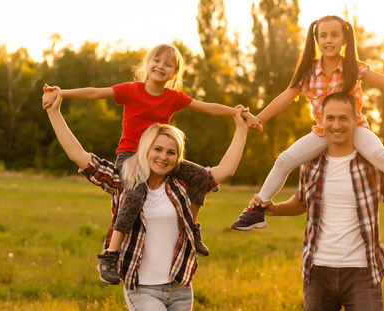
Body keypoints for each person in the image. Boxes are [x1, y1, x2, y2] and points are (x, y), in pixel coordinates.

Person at [42, 43, 261, 284]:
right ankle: (110, 255)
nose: (161, 66)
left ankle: (192, 226)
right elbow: (95, 93)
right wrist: (62, 92)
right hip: (130, 157)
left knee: (199, 175)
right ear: (147, 64)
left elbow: (206, 107)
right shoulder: (130, 90)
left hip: (160, 156)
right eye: (157, 60)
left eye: (169, 64)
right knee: (134, 193)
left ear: (174, 74)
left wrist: (240, 114)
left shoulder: (173, 98)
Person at [231, 15, 384, 231]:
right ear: (316, 40)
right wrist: (259, 119)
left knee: (381, 155)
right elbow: (286, 97)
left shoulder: (353, 67)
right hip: (323, 132)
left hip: (355, 129)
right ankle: (258, 210)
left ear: (344, 40)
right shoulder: (308, 72)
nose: (328, 40)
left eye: (334, 35)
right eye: (323, 36)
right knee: (284, 160)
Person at [44, 90, 248, 310]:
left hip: (180, 286)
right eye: (157, 149)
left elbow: (227, 169)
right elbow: (79, 156)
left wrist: (241, 128)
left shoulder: (181, 187)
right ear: (144, 150)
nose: (163, 157)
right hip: (142, 289)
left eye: (171, 152)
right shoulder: (124, 181)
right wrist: (54, 112)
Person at [256, 92, 384, 310]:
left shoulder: (373, 164)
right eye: (330, 118)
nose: (336, 125)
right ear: (321, 120)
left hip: (363, 274)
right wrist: (274, 208)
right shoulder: (311, 164)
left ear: (355, 120)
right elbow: (301, 202)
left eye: (343, 118)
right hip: (318, 271)